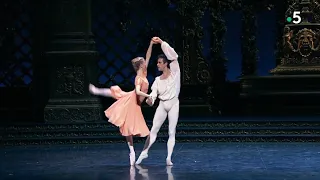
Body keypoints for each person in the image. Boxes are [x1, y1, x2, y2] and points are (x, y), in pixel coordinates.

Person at [89, 39, 155, 165]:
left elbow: (148, 55)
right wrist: (148, 95)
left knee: (117, 94)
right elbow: (138, 91)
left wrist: (151, 43)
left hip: (135, 102)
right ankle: (132, 151)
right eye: (144, 62)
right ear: (141, 65)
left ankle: (97, 90)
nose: (146, 62)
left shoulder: (144, 73)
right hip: (133, 102)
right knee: (127, 126)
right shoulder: (138, 78)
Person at [136, 37, 180, 166]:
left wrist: (161, 43)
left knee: (171, 132)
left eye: (160, 62)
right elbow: (153, 95)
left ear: (166, 63)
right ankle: (144, 153)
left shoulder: (175, 72)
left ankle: (168, 158)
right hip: (162, 105)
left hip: (173, 104)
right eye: (157, 62)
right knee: (153, 130)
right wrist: (150, 100)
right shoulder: (157, 80)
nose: (157, 64)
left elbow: (174, 55)